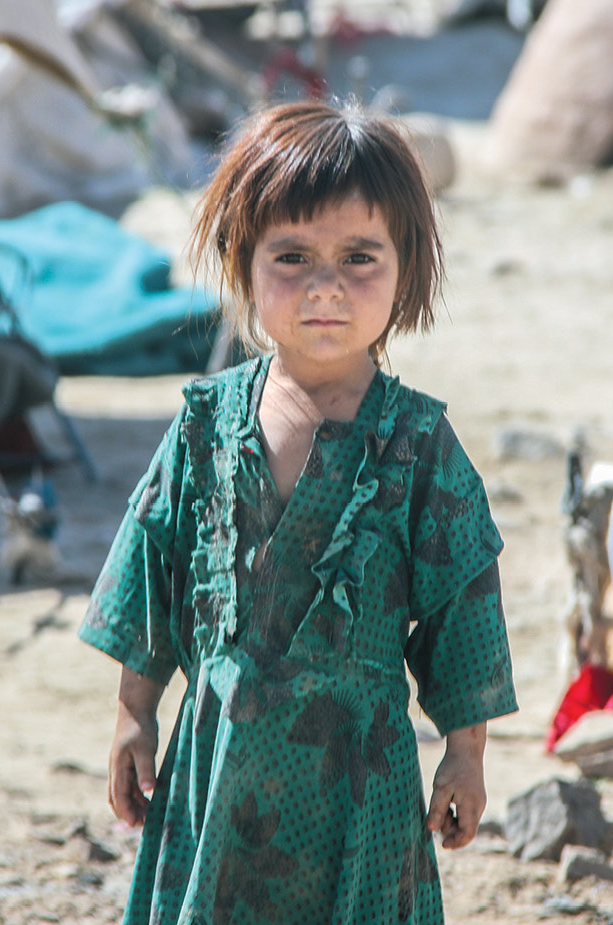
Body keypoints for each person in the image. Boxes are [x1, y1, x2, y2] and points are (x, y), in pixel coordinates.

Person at [79, 99, 518, 924]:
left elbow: (465, 601)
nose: (326, 286)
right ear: (243, 263)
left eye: (359, 256)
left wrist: (465, 751)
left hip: (361, 779)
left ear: (408, 268)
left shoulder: (417, 441)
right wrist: (135, 711)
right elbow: (154, 563)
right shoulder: (205, 424)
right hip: (221, 766)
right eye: (292, 256)